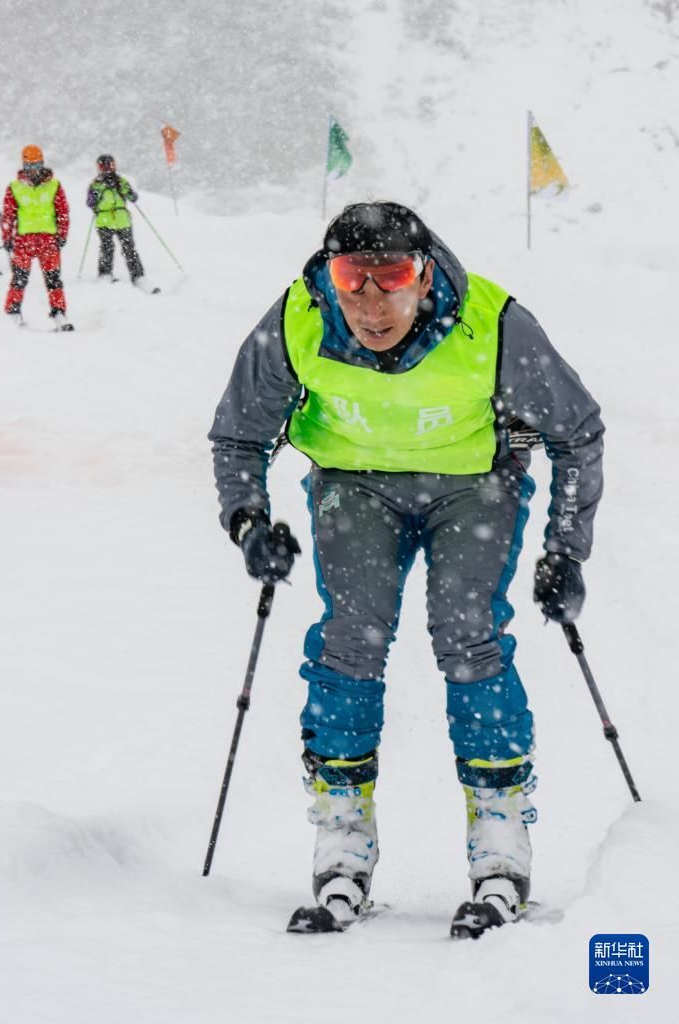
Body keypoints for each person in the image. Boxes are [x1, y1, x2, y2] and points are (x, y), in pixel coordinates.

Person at [209, 201, 604, 937]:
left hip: (471, 482)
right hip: (353, 482)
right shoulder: (298, 319)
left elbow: (577, 433)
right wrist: (248, 523)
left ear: (425, 276)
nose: (369, 299)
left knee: (467, 635)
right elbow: (238, 434)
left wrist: (564, 551)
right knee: (350, 641)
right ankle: (342, 838)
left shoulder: (493, 323)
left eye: (390, 276)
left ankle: (499, 840)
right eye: (350, 277)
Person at [0, 145, 73, 330]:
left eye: (37, 165)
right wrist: (7, 237)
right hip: (24, 241)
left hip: (48, 240)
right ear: (24, 165)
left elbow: (62, 211)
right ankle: (12, 311)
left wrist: (62, 234)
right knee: (19, 279)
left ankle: (59, 312)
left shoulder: (54, 185)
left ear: (43, 164)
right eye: (30, 166)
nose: (34, 170)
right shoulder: (15, 187)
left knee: (53, 279)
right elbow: (8, 215)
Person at [86, 155, 157, 293]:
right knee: (108, 248)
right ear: (99, 168)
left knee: (128, 249)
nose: (107, 169)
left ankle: (138, 277)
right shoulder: (96, 184)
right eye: (103, 166)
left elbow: (133, 197)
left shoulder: (120, 181)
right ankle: (106, 274)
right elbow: (90, 202)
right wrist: (97, 193)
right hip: (105, 220)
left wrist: (125, 190)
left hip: (121, 220)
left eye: (110, 165)